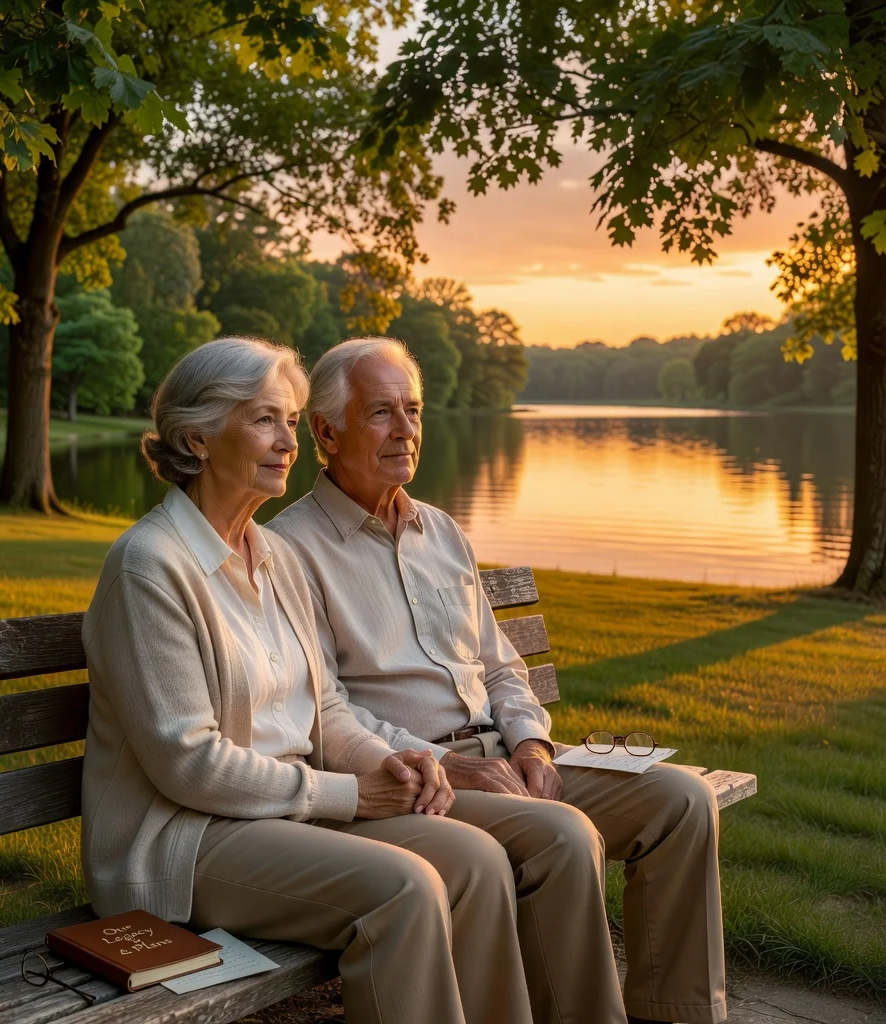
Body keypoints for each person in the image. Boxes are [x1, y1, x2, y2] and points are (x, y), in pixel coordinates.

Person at [268, 336, 728, 1024]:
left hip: (505, 757)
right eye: (381, 413)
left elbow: (502, 666)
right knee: (564, 837)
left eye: (414, 410)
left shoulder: (443, 532)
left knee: (681, 799)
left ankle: (679, 1012)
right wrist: (454, 764)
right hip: (416, 781)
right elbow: (325, 717)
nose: (406, 430)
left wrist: (532, 747)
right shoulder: (289, 550)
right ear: (327, 432)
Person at [81, 337, 536, 1024]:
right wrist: (352, 793)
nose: (287, 442)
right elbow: (189, 764)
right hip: (184, 841)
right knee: (404, 888)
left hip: (283, 813)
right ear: (198, 438)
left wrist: (396, 763)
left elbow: (324, 707)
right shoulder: (150, 566)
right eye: (264, 419)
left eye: (291, 421)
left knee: (473, 860)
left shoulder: (276, 556)